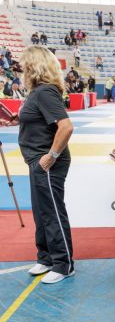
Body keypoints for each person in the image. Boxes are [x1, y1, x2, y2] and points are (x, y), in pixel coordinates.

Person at [15, 46, 75, 284]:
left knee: (51, 211)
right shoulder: (37, 92)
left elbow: (66, 127)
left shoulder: (45, 92)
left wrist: (51, 156)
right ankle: (47, 257)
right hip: (37, 161)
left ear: (34, 65)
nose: (21, 68)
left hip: (47, 162)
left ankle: (64, 264)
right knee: (41, 212)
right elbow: (38, 120)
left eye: (25, 64)